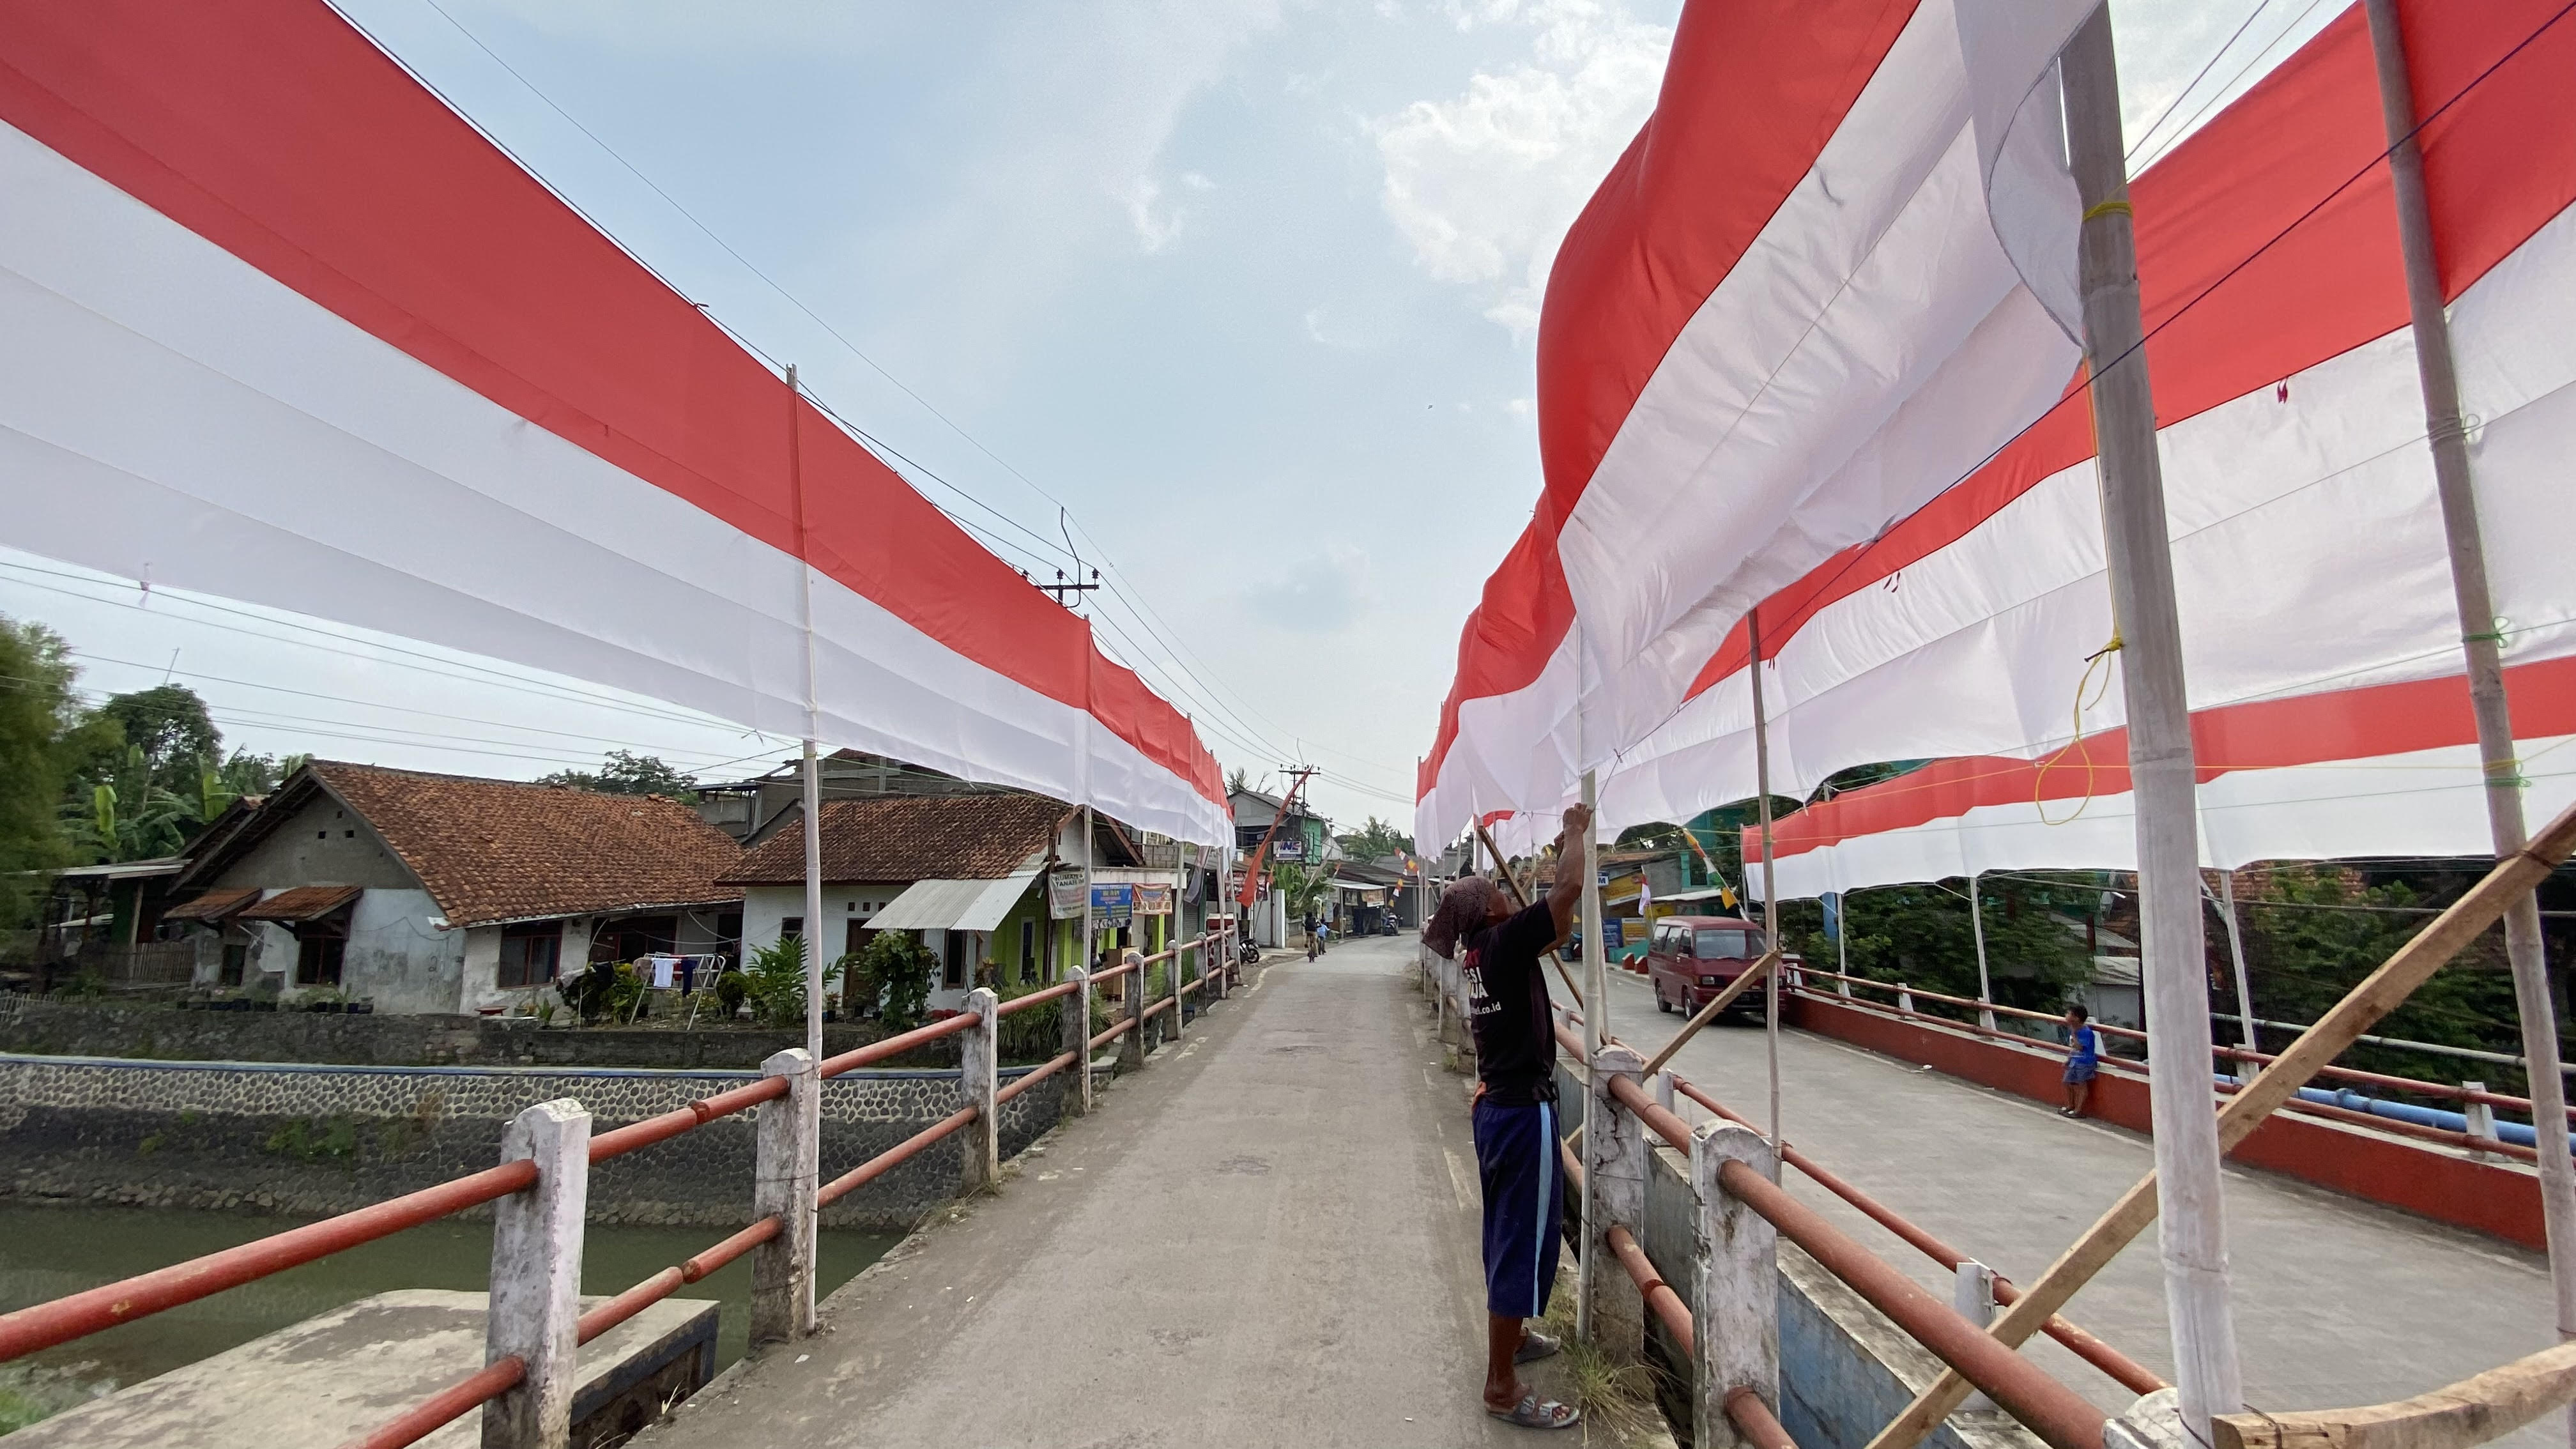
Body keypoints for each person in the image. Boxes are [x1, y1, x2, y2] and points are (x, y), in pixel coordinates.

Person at [1424, 802, 1591, 1432]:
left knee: (1510, 1235)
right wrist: (1575, 831)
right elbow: (1569, 891)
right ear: (1492, 912)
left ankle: (1512, 1339)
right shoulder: (1501, 944)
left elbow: (1558, 924)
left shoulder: (1478, 959)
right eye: (1496, 890)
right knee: (1521, 1243)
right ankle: (1501, 1386)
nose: (1504, 892)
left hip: (1498, 1105)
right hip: (1521, 1114)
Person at [2060, 1003, 2099, 1117]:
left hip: (2085, 1062)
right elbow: (2073, 1048)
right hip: (2075, 1061)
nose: (2066, 1015)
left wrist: (2074, 1033)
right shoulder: (2074, 1029)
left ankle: (2078, 1110)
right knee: (2067, 1082)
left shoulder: (2086, 1032)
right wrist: (2069, 1059)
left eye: (2069, 1014)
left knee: (2081, 1085)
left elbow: (2080, 1047)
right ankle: (2069, 1105)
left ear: (2076, 1018)